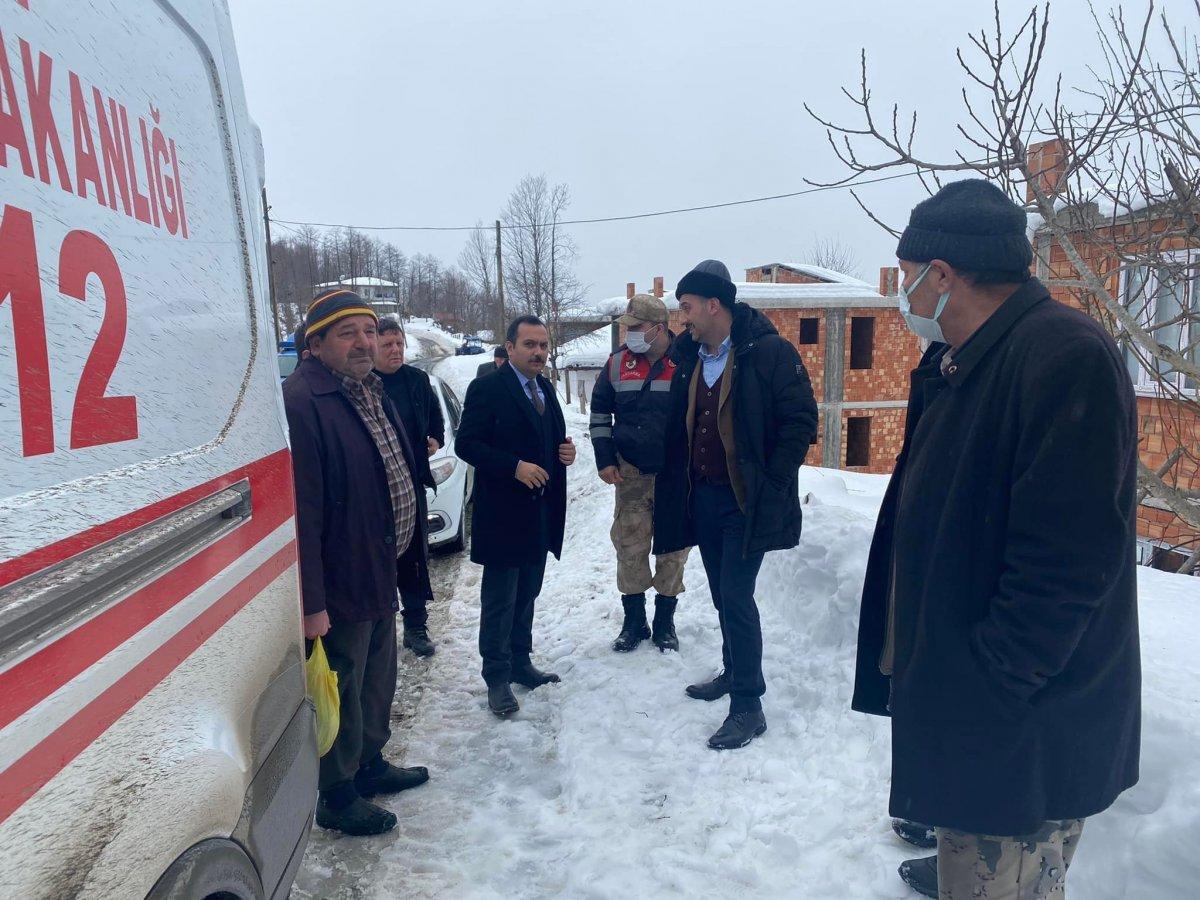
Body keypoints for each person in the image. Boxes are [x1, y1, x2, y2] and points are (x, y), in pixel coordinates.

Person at [850, 180, 1140, 899]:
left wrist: (991, 684)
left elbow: (1068, 563)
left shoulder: (1060, 357)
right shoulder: (965, 358)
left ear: (942, 274)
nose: (904, 291)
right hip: (980, 708)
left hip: (1021, 724)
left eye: (907, 273)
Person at [284, 289, 432, 836]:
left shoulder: (370, 390)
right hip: (342, 578)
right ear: (315, 343)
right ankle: (337, 794)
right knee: (341, 686)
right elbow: (305, 511)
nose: (364, 342)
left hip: (380, 566)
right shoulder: (304, 401)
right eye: (348, 333)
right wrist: (312, 603)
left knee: (376, 677)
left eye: (369, 331)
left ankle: (369, 763)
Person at [654, 260, 818, 750]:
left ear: (713, 305)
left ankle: (748, 704)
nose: (681, 318)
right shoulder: (689, 358)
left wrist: (769, 482)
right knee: (724, 595)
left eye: (686, 308)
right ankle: (733, 672)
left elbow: (800, 422)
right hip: (700, 498)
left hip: (744, 503)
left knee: (737, 596)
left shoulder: (768, 353)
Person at [456, 315, 577, 717]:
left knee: (528, 594)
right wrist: (514, 466)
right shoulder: (487, 388)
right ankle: (497, 678)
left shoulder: (545, 388)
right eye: (529, 344)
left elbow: (553, 437)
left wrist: (565, 452)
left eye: (543, 345)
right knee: (500, 602)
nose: (538, 352)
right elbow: (467, 444)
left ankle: (521, 662)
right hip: (504, 515)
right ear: (509, 348)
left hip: (539, 515)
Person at [589, 293, 690, 653]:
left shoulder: (686, 362)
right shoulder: (616, 364)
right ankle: (634, 622)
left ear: (659, 329)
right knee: (630, 544)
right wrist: (605, 459)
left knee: (673, 548)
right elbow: (600, 414)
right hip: (630, 472)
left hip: (676, 475)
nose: (628, 333)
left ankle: (665, 621)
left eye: (636, 327)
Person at [373, 318, 446, 657]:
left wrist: (435, 438)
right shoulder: (366, 386)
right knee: (379, 562)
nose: (395, 350)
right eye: (387, 344)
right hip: (374, 490)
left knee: (414, 559)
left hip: (412, 481)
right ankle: (380, 631)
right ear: (373, 346)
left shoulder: (416, 381)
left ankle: (416, 628)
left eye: (399, 344)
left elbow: (436, 418)